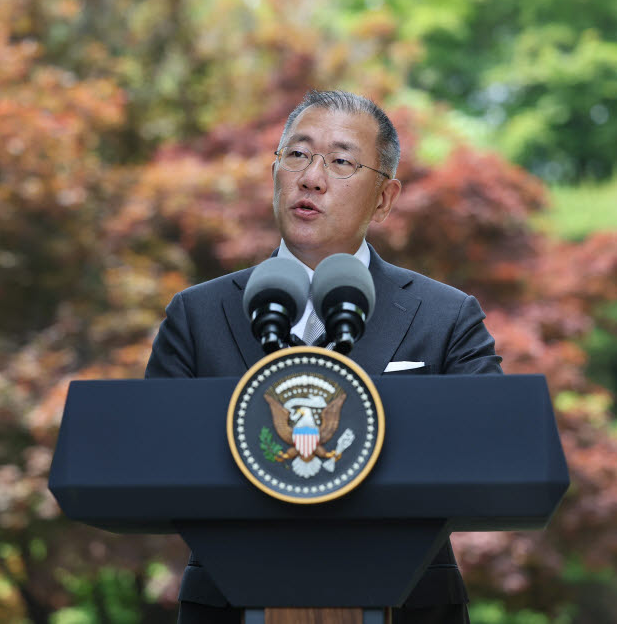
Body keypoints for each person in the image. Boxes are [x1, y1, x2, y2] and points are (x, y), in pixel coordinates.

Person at [146, 90, 502, 624]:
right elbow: (152, 459)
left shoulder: (445, 316)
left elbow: (493, 451)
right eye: (297, 154)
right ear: (275, 172)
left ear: (384, 198)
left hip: (409, 605)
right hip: (229, 605)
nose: (312, 177)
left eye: (340, 161)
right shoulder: (198, 314)